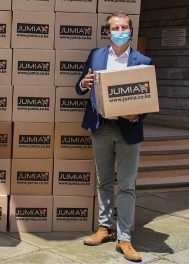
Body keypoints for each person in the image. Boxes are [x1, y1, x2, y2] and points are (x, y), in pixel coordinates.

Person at [76, 11, 151, 262]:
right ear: (108, 32)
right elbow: (78, 87)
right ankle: (105, 228)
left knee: (127, 185)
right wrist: (84, 84)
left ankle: (125, 238)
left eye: (124, 27)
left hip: (129, 129)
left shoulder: (143, 59)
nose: (119, 31)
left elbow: (148, 100)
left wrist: (137, 116)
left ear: (130, 30)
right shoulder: (96, 55)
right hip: (102, 127)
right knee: (104, 182)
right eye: (114, 28)